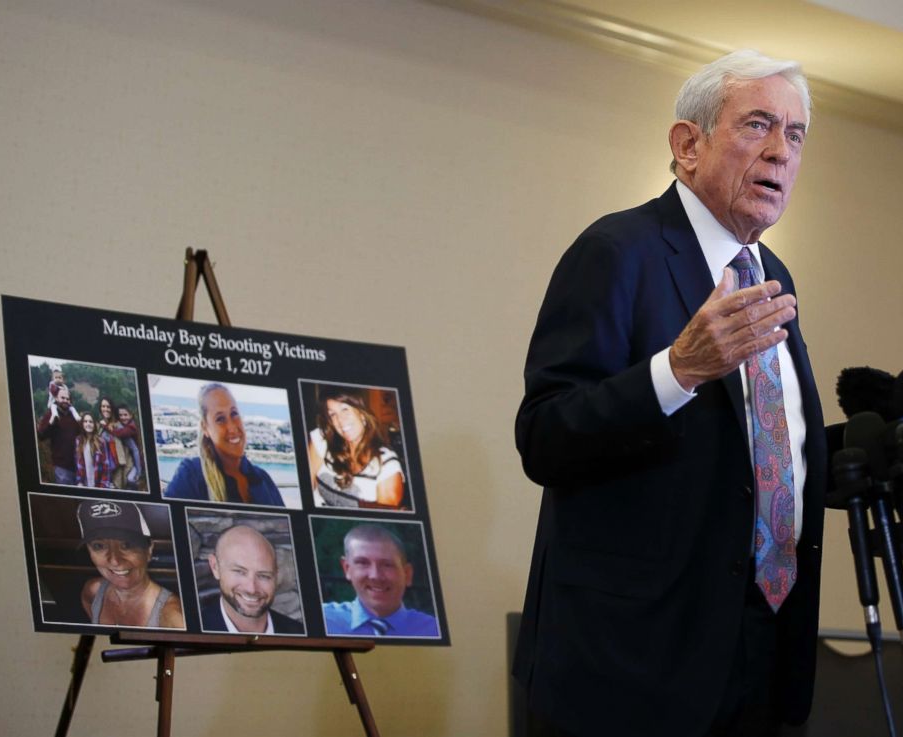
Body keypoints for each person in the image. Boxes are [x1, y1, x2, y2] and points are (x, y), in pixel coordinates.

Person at [513, 50, 826, 737]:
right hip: (633, 668)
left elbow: (765, 460)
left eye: (795, 134)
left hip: (758, 655)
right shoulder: (618, 250)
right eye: (758, 125)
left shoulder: (772, 275)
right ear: (688, 145)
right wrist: (677, 369)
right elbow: (544, 435)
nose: (780, 151)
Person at [165, 383, 284, 506]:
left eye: (234, 414)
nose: (232, 427)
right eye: (220, 419)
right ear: (205, 428)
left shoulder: (263, 479)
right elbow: (164, 521)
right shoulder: (191, 475)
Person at [77, 499, 184, 629]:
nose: (114, 560)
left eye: (126, 545)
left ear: (149, 550)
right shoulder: (93, 590)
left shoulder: (173, 617)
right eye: (99, 546)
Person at [322, 524, 439, 637]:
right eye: (363, 563)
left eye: (387, 565)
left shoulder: (433, 629)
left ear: (407, 574)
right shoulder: (323, 620)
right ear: (347, 568)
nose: (375, 575)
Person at [308, 389, 405, 509]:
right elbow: (306, 491)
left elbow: (381, 524)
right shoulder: (322, 440)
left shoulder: (387, 466)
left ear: (362, 413)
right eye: (333, 414)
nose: (340, 420)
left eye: (345, 409)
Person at [200, 524, 303, 634]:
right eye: (239, 572)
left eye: (263, 576)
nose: (252, 589)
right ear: (215, 567)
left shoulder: (298, 632)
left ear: (276, 575)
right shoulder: (194, 630)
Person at [36, 385, 80, 485]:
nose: (65, 401)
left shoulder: (74, 416)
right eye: (63, 398)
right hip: (61, 466)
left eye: (68, 399)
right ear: (56, 398)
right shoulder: (51, 414)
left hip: (77, 465)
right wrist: (51, 422)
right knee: (66, 497)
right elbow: (41, 436)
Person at [97, 397, 132, 489]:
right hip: (103, 471)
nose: (105, 409)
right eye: (103, 406)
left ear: (112, 409)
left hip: (116, 472)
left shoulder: (118, 426)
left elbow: (130, 449)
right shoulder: (99, 426)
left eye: (108, 407)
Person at [74, 412, 112, 489]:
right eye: (85, 421)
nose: (88, 424)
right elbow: (78, 465)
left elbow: (106, 466)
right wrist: (79, 482)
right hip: (84, 485)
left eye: (91, 422)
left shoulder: (101, 442)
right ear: (82, 424)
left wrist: (103, 486)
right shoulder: (78, 441)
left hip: (98, 484)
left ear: (94, 424)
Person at [112, 404, 144, 489]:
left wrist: (138, 470)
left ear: (131, 415)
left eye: (125, 415)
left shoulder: (131, 427)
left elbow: (120, 433)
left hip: (137, 461)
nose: (123, 417)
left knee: (130, 479)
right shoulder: (125, 425)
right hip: (132, 459)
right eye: (120, 415)